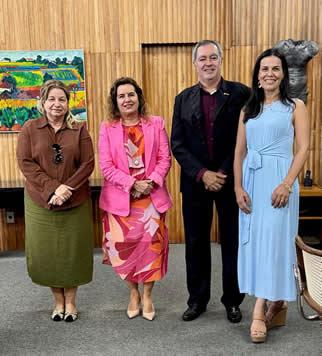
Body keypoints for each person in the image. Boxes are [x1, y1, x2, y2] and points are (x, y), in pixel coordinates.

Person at [171, 40, 250, 322]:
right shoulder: (182, 98)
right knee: (195, 243)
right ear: (195, 64)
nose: (208, 63)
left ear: (220, 60)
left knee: (232, 242)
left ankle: (232, 300)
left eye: (213, 57)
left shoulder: (241, 93)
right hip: (195, 183)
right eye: (202, 58)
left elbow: (246, 138)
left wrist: (223, 172)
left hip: (231, 182)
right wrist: (203, 173)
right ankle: (197, 300)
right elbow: (177, 144)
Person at [234, 48, 309, 343]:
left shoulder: (295, 106)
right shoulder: (248, 109)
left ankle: (259, 310)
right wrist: (238, 188)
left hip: (280, 183)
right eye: (264, 69)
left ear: (283, 74)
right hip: (252, 182)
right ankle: (277, 304)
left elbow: (302, 148)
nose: (269, 74)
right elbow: (239, 152)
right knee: (256, 245)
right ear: (257, 75)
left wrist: (287, 183)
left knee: (275, 243)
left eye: (275, 69)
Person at [16, 79, 95, 322]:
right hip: (40, 201)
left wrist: (67, 188)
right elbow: (25, 162)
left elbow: (88, 163)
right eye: (51, 99)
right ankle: (57, 302)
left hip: (75, 201)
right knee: (48, 253)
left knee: (72, 252)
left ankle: (71, 303)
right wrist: (53, 188)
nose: (56, 104)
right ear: (42, 102)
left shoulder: (79, 129)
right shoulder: (30, 128)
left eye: (62, 99)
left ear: (68, 104)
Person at [98, 77, 172, 321]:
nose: (127, 99)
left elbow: (165, 159)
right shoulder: (107, 128)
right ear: (115, 102)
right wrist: (132, 184)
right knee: (126, 250)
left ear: (139, 97)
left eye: (131, 94)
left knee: (151, 249)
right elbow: (106, 166)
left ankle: (148, 296)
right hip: (121, 200)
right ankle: (133, 294)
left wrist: (150, 182)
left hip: (151, 198)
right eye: (121, 96)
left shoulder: (156, 124)